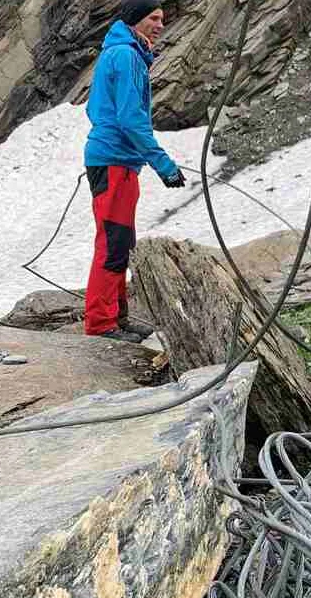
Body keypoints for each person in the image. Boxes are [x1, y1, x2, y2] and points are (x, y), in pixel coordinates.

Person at [82, 0, 186, 342]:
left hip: (116, 160)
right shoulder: (126, 56)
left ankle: (117, 317)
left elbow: (98, 108)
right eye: (153, 18)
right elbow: (130, 119)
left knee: (122, 242)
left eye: (162, 19)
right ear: (135, 19)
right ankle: (100, 325)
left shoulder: (124, 53)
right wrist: (164, 165)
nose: (160, 24)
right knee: (113, 243)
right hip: (114, 161)